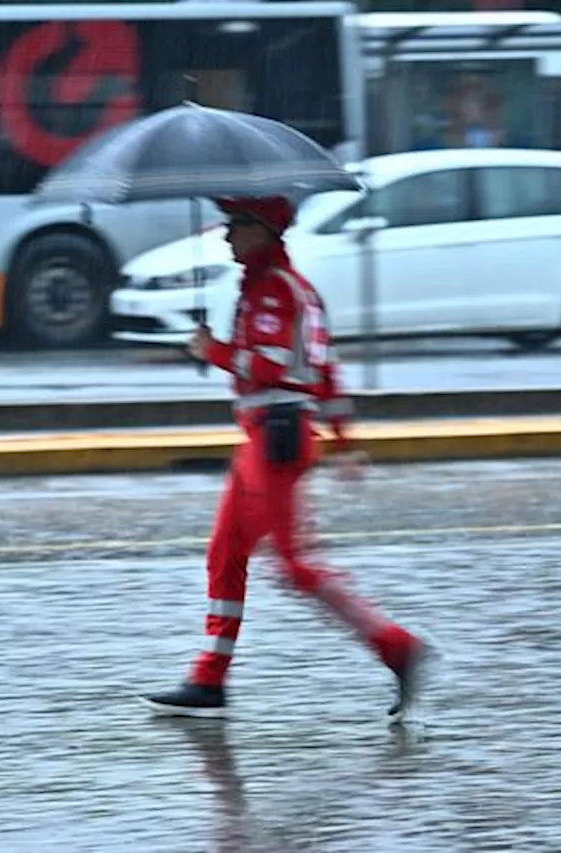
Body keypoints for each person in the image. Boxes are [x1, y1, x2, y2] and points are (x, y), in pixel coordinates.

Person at [140, 195, 430, 722]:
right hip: (266, 438)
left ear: (264, 231)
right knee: (225, 554)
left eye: (236, 226)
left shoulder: (274, 289)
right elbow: (327, 372)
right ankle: (209, 678)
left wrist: (215, 352)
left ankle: (396, 646)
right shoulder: (278, 287)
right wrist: (342, 441)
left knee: (295, 566)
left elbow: (268, 367)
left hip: (276, 440)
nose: (227, 236)